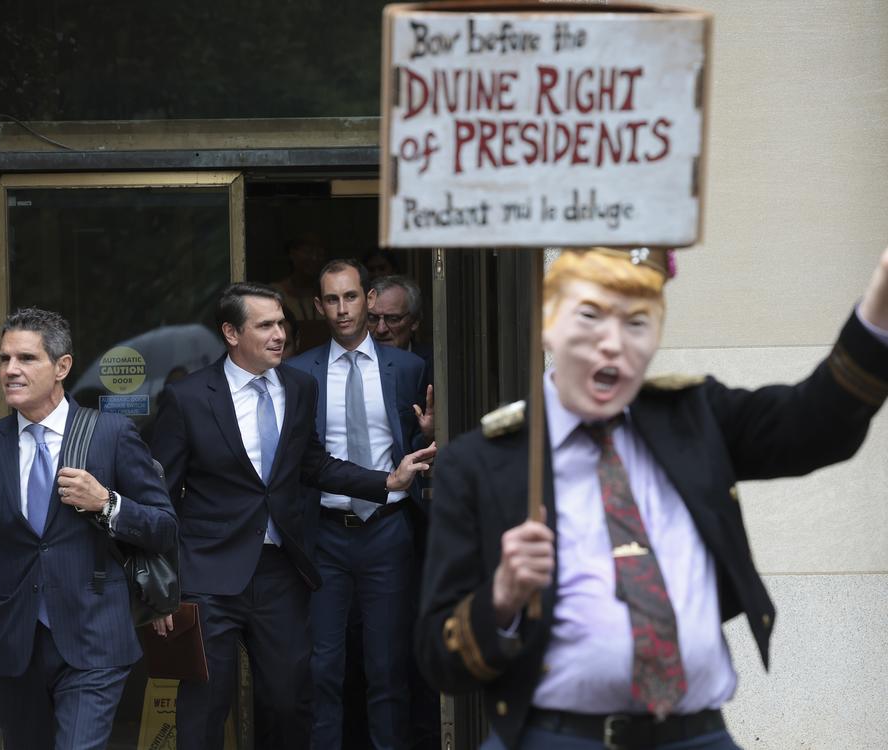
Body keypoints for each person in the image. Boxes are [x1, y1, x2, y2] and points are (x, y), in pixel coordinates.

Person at [415, 247, 888, 750]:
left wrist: (881, 293)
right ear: (548, 325)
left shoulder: (694, 417)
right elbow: (437, 659)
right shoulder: (482, 462)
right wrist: (503, 597)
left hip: (697, 736)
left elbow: (817, 424)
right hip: (553, 738)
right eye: (591, 316)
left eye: (638, 322)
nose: (613, 344)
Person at [149, 282, 435, 750]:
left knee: (289, 703)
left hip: (280, 570)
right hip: (206, 574)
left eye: (281, 322)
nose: (280, 333)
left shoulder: (300, 387)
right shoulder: (188, 398)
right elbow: (160, 494)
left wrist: (387, 482)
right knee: (204, 707)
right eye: (265, 325)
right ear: (231, 333)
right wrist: (160, 585)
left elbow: (314, 464)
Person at [0, 307, 178, 750]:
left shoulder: (110, 434)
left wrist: (108, 503)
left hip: (95, 636)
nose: (11, 370)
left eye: (26, 359)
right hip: (14, 642)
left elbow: (164, 527)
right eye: (4, 359)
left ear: (62, 367)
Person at [287, 259, 432, 750]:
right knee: (323, 667)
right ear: (318, 306)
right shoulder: (298, 372)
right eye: (331, 299)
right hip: (325, 533)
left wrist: (431, 434)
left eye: (350, 297)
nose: (342, 308)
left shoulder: (408, 369)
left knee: (387, 668)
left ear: (369, 301)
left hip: (388, 529)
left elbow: (418, 443)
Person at [369, 274, 432, 363]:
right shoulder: (353, 362)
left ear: (414, 321)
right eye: (372, 318)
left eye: (393, 319)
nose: (381, 330)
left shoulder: (436, 364)